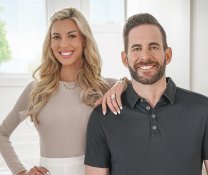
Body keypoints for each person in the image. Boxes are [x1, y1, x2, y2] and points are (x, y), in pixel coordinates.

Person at [85, 13, 208, 175]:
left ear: (167, 55)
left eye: (153, 47)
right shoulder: (103, 116)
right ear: (125, 59)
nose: (145, 56)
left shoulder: (204, 110)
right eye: (137, 48)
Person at [0, 8, 127, 175]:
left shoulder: (103, 87)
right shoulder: (36, 90)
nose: (63, 44)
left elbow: (141, 89)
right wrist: (20, 172)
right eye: (56, 37)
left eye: (72, 36)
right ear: (50, 43)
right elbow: (2, 134)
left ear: (84, 40)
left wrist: (122, 83)